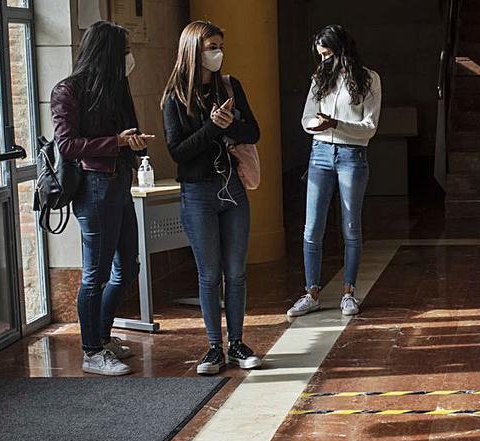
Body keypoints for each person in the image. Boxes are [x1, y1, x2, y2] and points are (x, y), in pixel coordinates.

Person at [161, 21, 263, 375]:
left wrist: (230, 124)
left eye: (220, 45)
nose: (218, 53)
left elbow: (253, 131)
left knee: (236, 272)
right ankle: (213, 347)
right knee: (209, 274)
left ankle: (237, 342)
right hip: (198, 193)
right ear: (193, 51)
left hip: (231, 188)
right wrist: (213, 128)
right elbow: (178, 152)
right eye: (211, 47)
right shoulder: (174, 97)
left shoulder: (230, 86)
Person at [51, 20, 151, 376]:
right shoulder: (68, 91)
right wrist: (118, 142)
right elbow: (67, 145)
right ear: (107, 53)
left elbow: (127, 131)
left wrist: (134, 144)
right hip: (94, 187)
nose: (130, 58)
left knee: (128, 268)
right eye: (124, 51)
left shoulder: (117, 87)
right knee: (94, 274)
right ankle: (91, 351)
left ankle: (104, 337)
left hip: (120, 181)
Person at [287, 25, 382, 318]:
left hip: (352, 155)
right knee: (312, 226)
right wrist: (318, 125)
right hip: (320, 153)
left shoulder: (369, 79)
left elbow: (370, 127)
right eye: (320, 55)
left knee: (350, 225)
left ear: (342, 50)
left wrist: (336, 124)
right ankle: (311, 292)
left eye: (327, 54)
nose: (324, 60)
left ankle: (349, 293)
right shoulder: (320, 77)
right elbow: (306, 118)